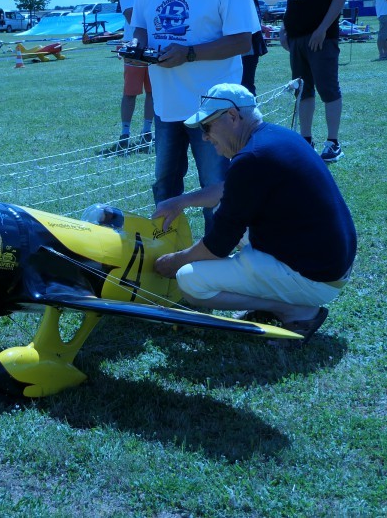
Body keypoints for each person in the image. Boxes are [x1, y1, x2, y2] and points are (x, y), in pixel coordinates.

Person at [152, 82, 356, 342]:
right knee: (232, 223)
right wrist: (181, 201)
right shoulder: (277, 138)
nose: (204, 136)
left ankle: (294, 309)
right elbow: (230, 189)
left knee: (190, 281)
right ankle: (283, 297)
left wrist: (175, 261)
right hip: (332, 264)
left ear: (233, 117)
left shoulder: (251, 159)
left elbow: (217, 247)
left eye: (207, 127)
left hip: (317, 276)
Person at [127, 0, 260, 229]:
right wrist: (137, 47)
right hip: (166, 104)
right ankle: (165, 252)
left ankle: (221, 258)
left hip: (213, 109)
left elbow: (243, 41)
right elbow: (141, 25)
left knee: (217, 187)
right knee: (165, 185)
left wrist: (189, 53)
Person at [279, 0, 348, 163]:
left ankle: (333, 142)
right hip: (297, 37)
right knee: (302, 91)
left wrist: (322, 29)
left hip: (320, 38)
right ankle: (306, 139)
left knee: (327, 88)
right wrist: (285, 28)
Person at [105, 0, 156, 154]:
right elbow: (131, 16)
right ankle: (125, 132)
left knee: (153, 91)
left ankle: (146, 131)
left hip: (153, 46)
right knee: (130, 92)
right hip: (134, 46)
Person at [238, 0, 268, 95]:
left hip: (246, 48)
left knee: (246, 85)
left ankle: (250, 114)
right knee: (245, 84)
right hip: (247, 48)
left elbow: (249, 23)